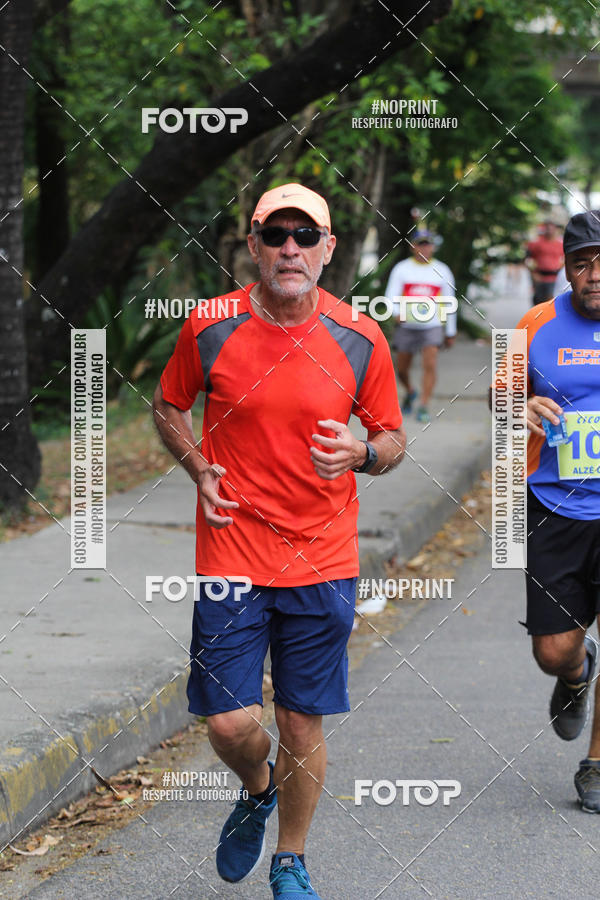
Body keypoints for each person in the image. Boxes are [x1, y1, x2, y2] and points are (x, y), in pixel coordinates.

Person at [152, 183, 405, 897]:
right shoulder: (209, 325)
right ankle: (258, 788)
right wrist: (199, 468)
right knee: (231, 723)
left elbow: (391, 436)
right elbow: (168, 406)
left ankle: (290, 859)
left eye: (305, 235)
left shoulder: (360, 336)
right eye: (275, 235)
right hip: (232, 549)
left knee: (300, 719)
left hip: (322, 555)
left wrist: (363, 454)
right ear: (253, 247)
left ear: (328, 249)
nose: (289, 248)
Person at [514, 209, 600, 811]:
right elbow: (499, 393)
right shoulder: (531, 324)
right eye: (582, 262)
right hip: (553, 506)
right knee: (553, 649)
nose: (595, 273)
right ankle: (576, 674)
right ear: (564, 268)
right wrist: (517, 410)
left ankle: (596, 763)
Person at [384, 229, 456, 424]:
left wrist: (450, 331)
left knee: (430, 365)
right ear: (412, 246)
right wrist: (396, 313)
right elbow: (390, 296)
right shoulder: (402, 269)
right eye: (420, 243)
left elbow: (450, 301)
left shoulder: (442, 270)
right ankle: (411, 391)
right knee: (402, 369)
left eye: (427, 244)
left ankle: (424, 405)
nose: (424, 247)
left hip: (432, 326)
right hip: (407, 326)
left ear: (433, 247)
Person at [525, 220, 564, 306]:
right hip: (540, 277)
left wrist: (561, 272)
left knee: (551, 302)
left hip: (554, 278)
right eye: (547, 227)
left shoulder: (560, 244)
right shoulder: (536, 243)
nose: (550, 230)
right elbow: (528, 260)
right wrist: (533, 274)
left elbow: (567, 259)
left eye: (552, 228)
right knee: (538, 302)